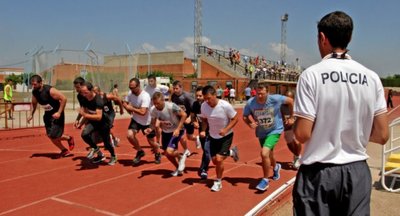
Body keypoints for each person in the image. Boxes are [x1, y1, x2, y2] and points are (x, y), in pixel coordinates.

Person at [293, 11, 389, 215]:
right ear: (350, 37)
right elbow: (382, 135)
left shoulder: (311, 75)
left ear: (322, 38)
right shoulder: (372, 78)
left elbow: (302, 134)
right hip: (357, 171)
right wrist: (355, 131)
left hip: (318, 173)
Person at [243, 83, 293, 191]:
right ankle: (276, 167)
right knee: (269, 155)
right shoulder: (251, 103)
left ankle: (265, 180)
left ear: (267, 92)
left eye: (262, 94)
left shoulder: (275, 99)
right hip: (262, 132)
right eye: (258, 94)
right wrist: (249, 123)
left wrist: (292, 117)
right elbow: (245, 116)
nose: (260, 96)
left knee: (264, 153)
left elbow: (291, 101)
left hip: (275, 130)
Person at [200, 85, 239, 192]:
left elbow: (235, 119)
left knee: (219, 159)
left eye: (209, 98)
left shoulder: (225, 106)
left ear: (214, 95)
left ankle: (218, 181)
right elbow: (204, 120)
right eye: (205, 98)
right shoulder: (204, 106)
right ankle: (231, 152)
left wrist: (226, 129)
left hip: (226, 136)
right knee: (214, 161)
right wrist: (203, 130)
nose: (207, 101)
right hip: (212, 136)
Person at [27, 75, 75, 158]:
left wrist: (59, 112)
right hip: (47, 115)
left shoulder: (50, 90)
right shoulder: (34, 92)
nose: (33, 86)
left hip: (56, 114)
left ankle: (68, 138)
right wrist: (31, 114)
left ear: (41, 83)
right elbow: (34, 103)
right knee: (50, 135)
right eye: (32, 84)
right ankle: (64, 150)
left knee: (54, 135)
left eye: (35, 84)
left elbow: (64, 99)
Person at [145, 92, 187, 176]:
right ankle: (178, 168)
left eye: (158, 103)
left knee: (169, 151)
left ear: (163, 100)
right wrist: (150, 129)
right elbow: (153, 123)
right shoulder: (153, 110)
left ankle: (181, 157)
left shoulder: (171, 106)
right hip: (166, 132)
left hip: (177, 130)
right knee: (167, 153)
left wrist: (178, 129)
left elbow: (184, 114)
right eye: (154, 103)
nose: (156, 105)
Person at [123, 78, 161, 164]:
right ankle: (140, 151)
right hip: (136, 120)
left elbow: (143, 112)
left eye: (133, 88)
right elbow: (124, 102)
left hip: (147, 122)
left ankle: (157, 153)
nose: (131, 90)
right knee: (129, 135)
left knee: (151, 142)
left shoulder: (145, 96)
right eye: (130, 87)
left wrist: (131, 108)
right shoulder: (130, 93)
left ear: (138, 86)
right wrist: (126, 107)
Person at [79, 81, 117, 165]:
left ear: (91, 90)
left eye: (86, 92)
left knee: (106, 144)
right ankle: (97, 151)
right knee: (84, 134)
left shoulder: (98, 100)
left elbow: (98, 117)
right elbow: (85, 112)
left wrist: (85, 114)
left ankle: (113, 155)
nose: (84, 94)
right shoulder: (84, 99)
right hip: (93, 122)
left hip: (103, 123)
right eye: (82, 92)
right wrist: (80, 123)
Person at [171, 80, 201, 157]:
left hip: (188, 118)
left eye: (176, 88)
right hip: (180, 119)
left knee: (189, 137)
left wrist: (190, 118)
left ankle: (197, 138)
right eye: (174, 88)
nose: (175, 90)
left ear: (181, 88)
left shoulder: (187, 96)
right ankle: (186, 150)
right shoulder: (173, 96)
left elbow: (193, 107)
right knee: (180, 135)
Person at [144, 74, 170, 145]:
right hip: (152, 110)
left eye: (151, 81)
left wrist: (170, 100)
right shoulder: (146, 88)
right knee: (155, 126)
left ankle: (159, 141)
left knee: (158, 126)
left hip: (161, 110)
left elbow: (171, 90)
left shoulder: (161, 87)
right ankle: (158, 141)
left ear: (155, 80)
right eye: (149, 81)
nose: (150, 83)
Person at [191, 86, 211, 179]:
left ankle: (203, 169)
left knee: (207, 151)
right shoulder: (195, 104)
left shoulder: (209, 104)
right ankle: (230, 152)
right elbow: (192, 116)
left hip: (212, 131)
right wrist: (194, 122)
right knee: (207, 151)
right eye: (197, 96)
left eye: (200, 96)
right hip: (202, 131)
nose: (198, 98)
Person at [280, 90, 301, 169]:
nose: (287, 99)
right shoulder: (281, 106)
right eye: (286, 97)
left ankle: (298, 157)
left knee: (296, 141)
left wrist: (293, 121)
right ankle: (296, 155)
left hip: (296, 126)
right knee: (289, 143)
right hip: (287, 127)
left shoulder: (298, 106)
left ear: (293, 98)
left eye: (289, 97)